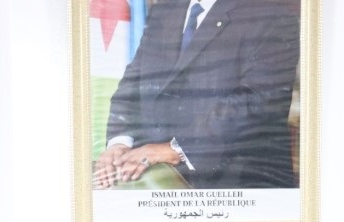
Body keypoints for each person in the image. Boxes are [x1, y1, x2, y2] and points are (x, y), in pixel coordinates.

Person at [92, 0, 301, 190]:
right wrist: (119, 143)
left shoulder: (272, 15)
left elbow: (257, 103)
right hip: (156, 180)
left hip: (236, 186)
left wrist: (176, 148)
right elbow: (134, 81)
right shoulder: (165, 10)